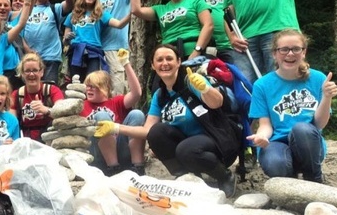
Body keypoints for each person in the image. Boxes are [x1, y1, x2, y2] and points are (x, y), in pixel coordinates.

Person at [95, 44, 239, 197]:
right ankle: (185, 176)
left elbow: (216, 103)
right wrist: (115, 128)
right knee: (156, 133)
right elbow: (147, 130)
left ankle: (224, 176)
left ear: (178, 62)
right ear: (153, 65)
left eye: (169, 59)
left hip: (216, 142)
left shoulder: (191, 80)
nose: (164, 63)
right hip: (188, 146)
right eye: (159, 60)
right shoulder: (160, 95)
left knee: (186, 149)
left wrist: (205, 89)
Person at [247, 30, 337, 183]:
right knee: (275, 164)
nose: (290, 54)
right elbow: (265, 125)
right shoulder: (262, 85)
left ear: (304, 52)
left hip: (309, 144)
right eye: (284, 49)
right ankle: (291, 185)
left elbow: (320, 124)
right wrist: (261, 136)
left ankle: (314, 179)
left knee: (301, 129)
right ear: (274, 54)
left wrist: (327, 97)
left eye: (296, 49)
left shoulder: (318, 79)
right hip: (277, 143)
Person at [66, 0, 133, 95]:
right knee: (94, 86)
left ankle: (116, 114)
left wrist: (134, 11)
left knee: (116, 87)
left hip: (115, 47)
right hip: (97, 50)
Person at [80, 50, 145, 176]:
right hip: (96, 155)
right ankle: (112, 168)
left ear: (105, 88)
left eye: (93, 86)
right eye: (87, 86)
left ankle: (138, 167)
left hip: (121, 150)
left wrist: (126, 64)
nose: (89, 89)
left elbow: (137, 93)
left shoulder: (116, 102)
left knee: (137, 114)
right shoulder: (81, 105)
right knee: (102, 116)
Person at [130, 0, 213, 59]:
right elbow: (136, 10)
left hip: (195, 53)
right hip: (169, 56)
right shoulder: (160, 9)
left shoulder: (197, 2)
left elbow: (208, 25)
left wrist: (197, 51)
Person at [22, 0, 74, 84]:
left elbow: (70, 3)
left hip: (51, 58)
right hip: (30, 58)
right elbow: (18, 33)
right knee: (30, 93)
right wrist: (28, 51)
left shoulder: (54, 9)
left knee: (49, 93)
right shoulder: (26, 9)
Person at [63, 0, 130, 81]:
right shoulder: (72, 15)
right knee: (75, 83)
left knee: (92, 82)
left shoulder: (101, 14)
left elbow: (119, 24)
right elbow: (65, 42)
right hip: (76, 52)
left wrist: (132, 14)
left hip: (94, 53)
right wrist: (67, 39)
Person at [10, 52, 64, 141]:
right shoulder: (16, 95)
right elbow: (11, 122)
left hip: (50, 139)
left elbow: (63, 113)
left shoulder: (53, 90)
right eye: (27, 71)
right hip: (26, 141)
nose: (31, 74)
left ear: (41, 72)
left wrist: (46, 110)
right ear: (22, 74)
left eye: (35, 70)